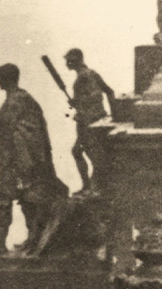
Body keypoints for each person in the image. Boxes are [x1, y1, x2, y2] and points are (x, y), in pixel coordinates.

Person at [0, 63, 68, 257]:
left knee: (11, 200)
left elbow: (8, 130)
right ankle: (30, 238)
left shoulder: (16, 101)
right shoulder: (23, 99)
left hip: (17, 162)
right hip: (20, 160)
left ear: (6, 79)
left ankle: (3, 243)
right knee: (24, 200)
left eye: (0, 77)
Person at [65, 48, 115, 195]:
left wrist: (78, 102)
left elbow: (95, 96)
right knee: (84, 151)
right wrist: (112, 115)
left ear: (77, 60)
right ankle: (91, 185)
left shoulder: (84, 76)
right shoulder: (90, 73)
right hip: (94, 120)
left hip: (88, 122)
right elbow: (109, 92)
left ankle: (92, 186)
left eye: (70, 60)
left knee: (87, 153)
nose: (68, 63)